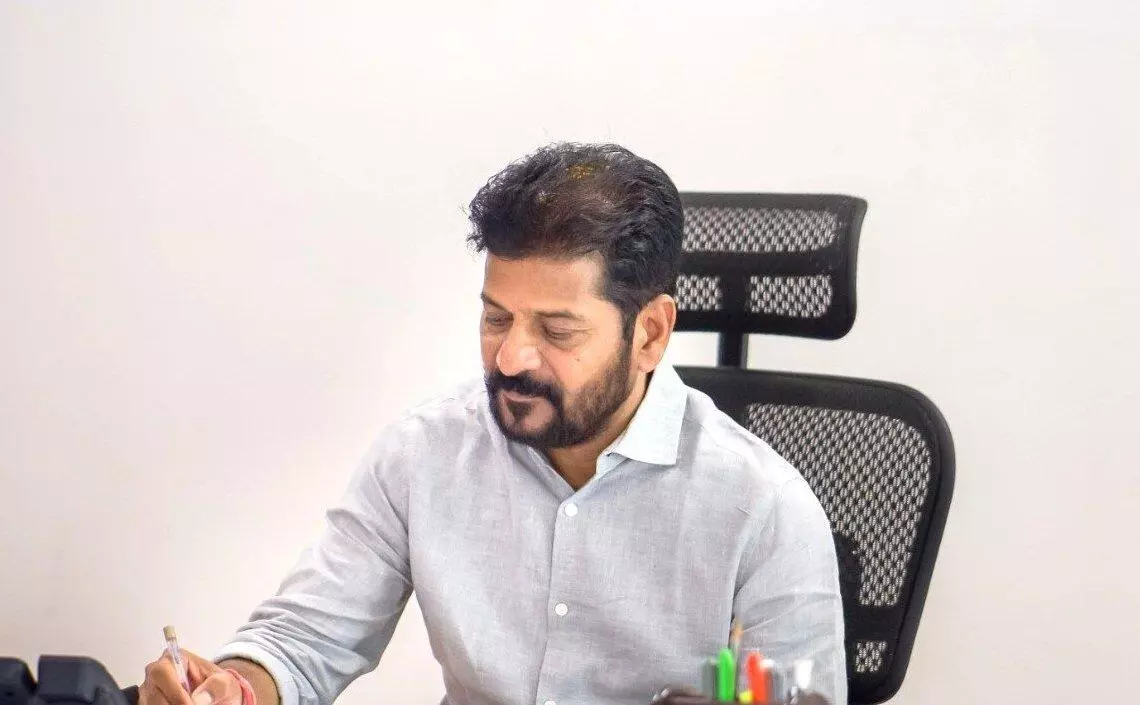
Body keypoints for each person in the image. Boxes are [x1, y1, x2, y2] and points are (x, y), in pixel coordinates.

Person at [139, 143, 847, 705]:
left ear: (651, 333)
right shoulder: (423, 453)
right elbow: (303, 639)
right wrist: (235, 686)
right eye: (496, 317)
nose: (510, 357)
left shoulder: (765, 510)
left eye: (557, 330)